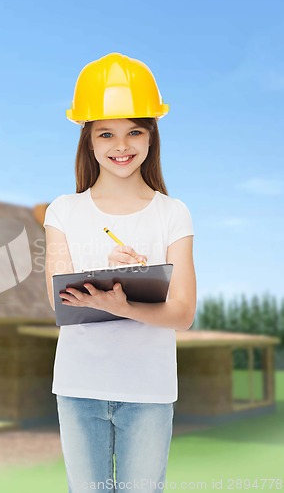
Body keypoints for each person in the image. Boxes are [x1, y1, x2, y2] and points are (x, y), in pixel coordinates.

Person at [43, 52, 197, 493]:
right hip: (78, 386)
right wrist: (115, 290)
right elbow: (57, 301)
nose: (121, 145)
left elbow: (182, 313)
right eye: (106, 133)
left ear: (151, 137)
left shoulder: (173, 213)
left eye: (134, 131)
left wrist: (125, 302)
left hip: (149, 391)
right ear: (88, 140)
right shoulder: (63, 211)